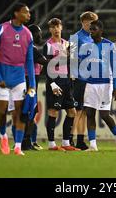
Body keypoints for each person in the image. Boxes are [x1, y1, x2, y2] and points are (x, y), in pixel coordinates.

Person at [0, 3, 36, 156]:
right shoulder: (1, 29)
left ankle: (17, 146)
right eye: (26, 12)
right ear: (16, 13)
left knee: (19, 114)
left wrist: (33, 86)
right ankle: (3, 137)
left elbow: (30, 61)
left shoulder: (28, 34)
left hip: (19, 79)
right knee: (2, 112)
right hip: (3, 77)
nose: (29, 15)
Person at [83, 20, 116, 152]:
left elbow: (115, 67)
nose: (91, 32)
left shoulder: (109, 45)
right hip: (91, 83)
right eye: (90, 30)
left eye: (94, 29)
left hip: (106, 83)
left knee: (104, 115)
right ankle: (93, 145)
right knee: (89, 113)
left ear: (101, 30)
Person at [43, 18, 80, 151]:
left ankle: (65, 142)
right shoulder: (48, 45)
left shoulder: (67, 44)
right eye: (52, 27)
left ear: (61, 27)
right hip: (55, 81)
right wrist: (52, 83)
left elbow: (70, 62)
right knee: (53, 112)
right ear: (50, 30)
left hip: (66, 82)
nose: (55, 29)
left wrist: (72, 76)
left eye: (57, 26)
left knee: (71, 111)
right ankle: (52, 144)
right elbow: (47, 65)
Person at [69, 11, 98, 150]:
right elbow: (72, 58)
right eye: (89, 22)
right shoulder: (76, 37)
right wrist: (73, 76)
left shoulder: (93, 38)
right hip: (80, 78)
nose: (92, 25)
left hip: (91, 79)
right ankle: (69, 138)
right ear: (83, 22)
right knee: (77, 110)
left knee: (85, 111)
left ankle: (80, 140)